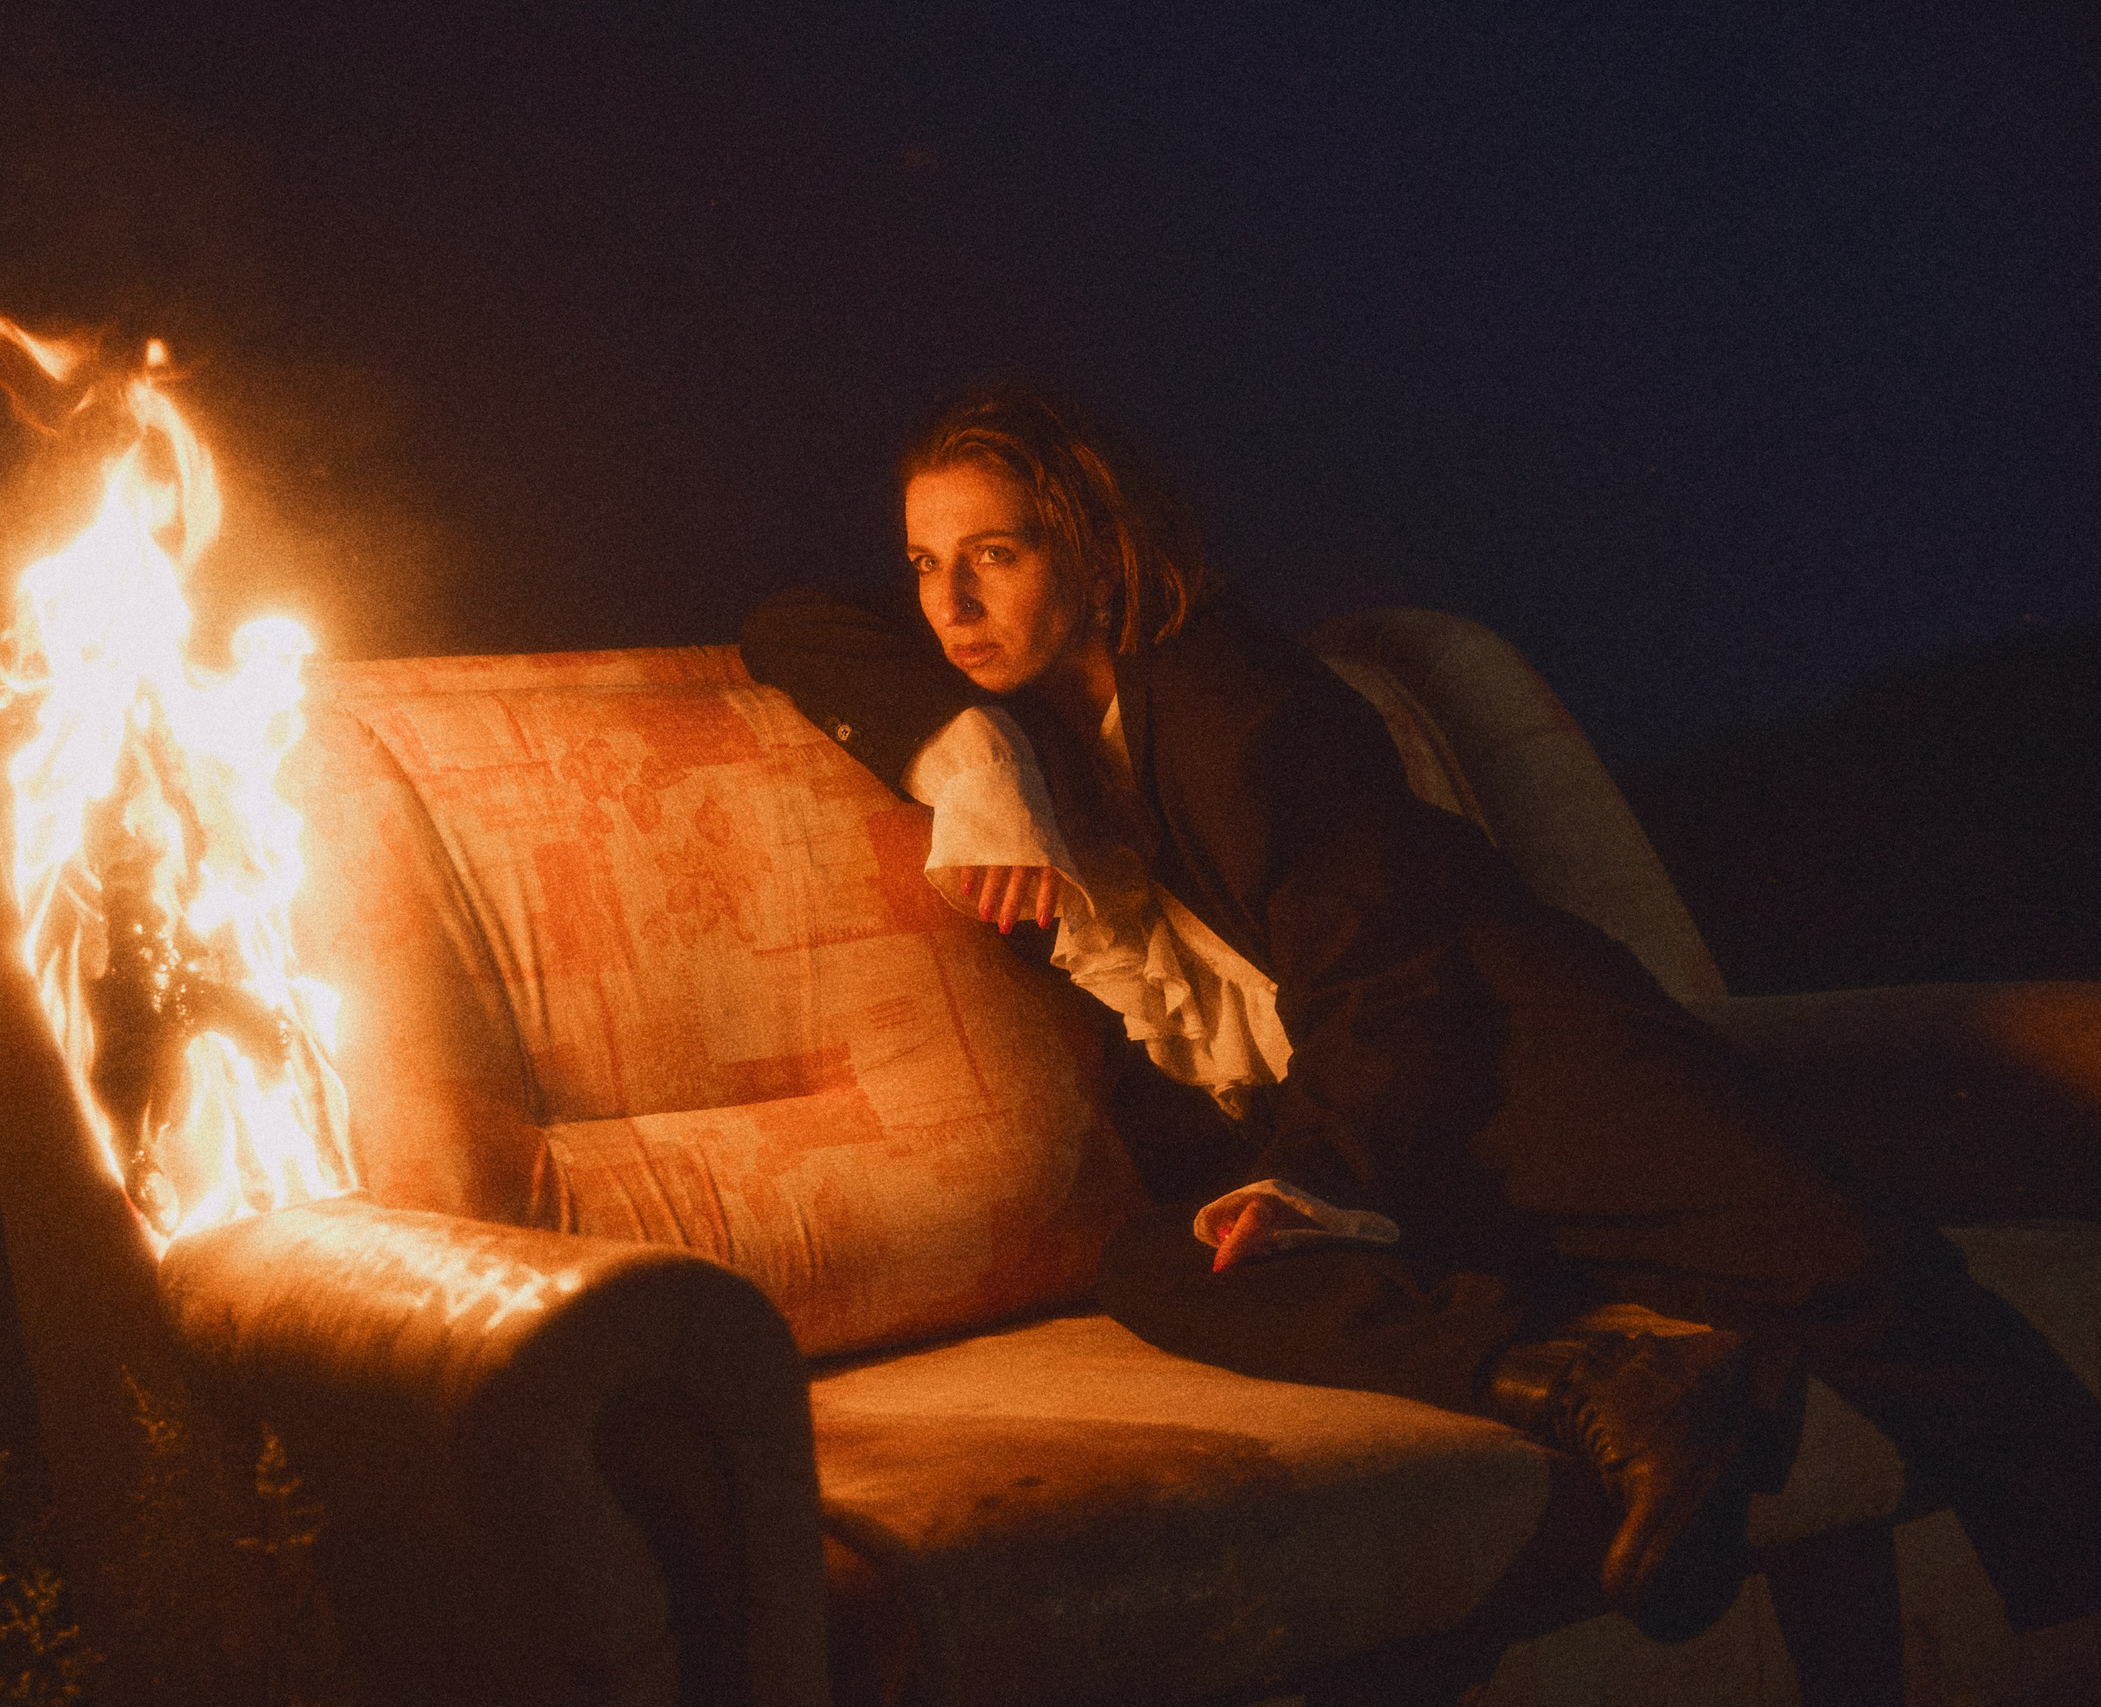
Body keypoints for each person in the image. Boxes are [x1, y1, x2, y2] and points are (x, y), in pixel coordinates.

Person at [739, 374, 2101, 1634]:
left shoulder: (1243, 707)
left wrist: (1311, 1178)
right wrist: (966, 753)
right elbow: (787, 621)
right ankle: (1595, 1385)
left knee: (1863, 1280)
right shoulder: (1025, 724)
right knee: (1155, 1266)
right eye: (926, 562)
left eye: (996, 554)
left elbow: (1393, 981)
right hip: (1388, 1126)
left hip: (1527, 1068)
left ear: (1097, 550)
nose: (948, 604)